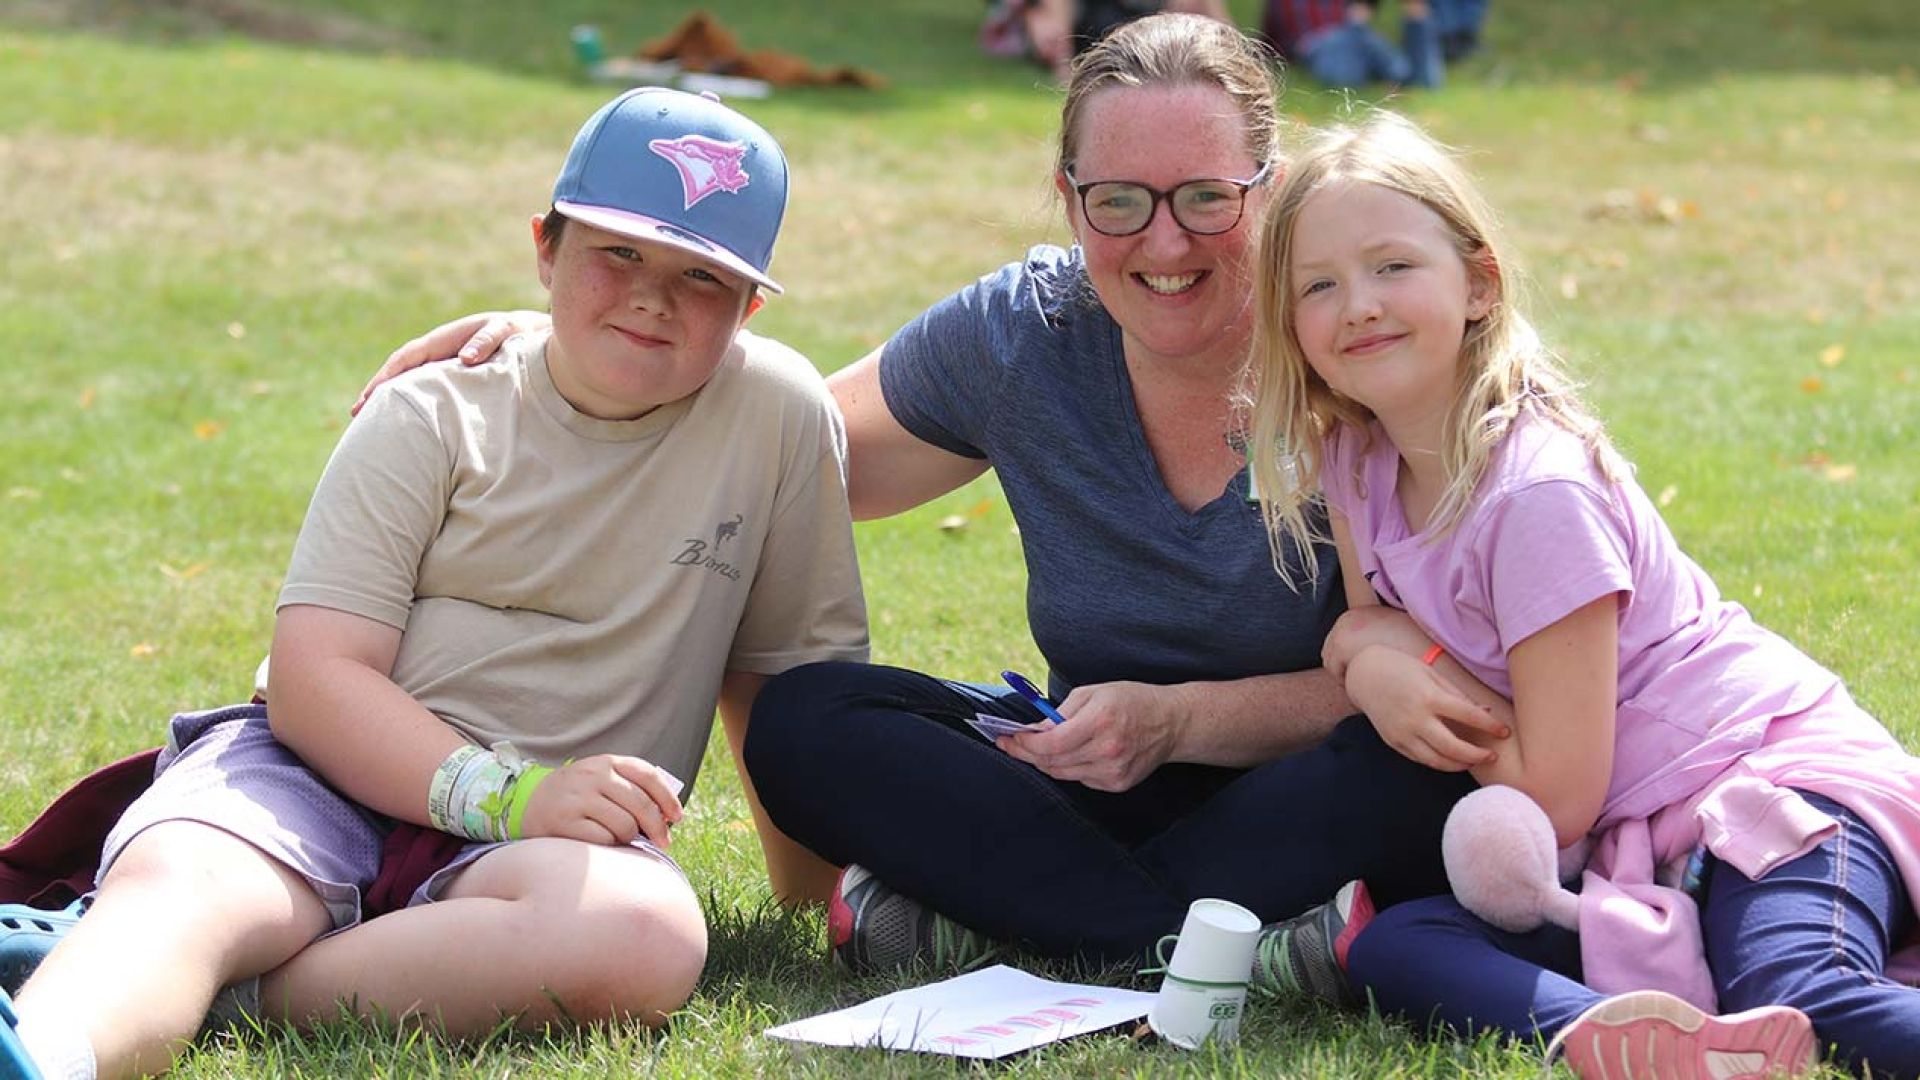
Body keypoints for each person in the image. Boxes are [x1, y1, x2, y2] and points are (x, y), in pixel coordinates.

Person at [352, 13, 1480, 986]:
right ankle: (1233, 939)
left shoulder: (1347, 338)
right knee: (813, 721)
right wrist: (562, 341)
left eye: (1204, 199)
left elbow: (1461, 666)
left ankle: (1070, 929)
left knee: (1423, 769)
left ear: (1267, 190)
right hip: (1083, 785)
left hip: (1305, 782)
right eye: (1120, 202)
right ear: (1068, 196)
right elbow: (777, 443)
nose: (1164, 242)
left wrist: (1183, 719)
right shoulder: (1023, 336)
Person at [0, 87, 866, 1080]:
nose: (650, 296)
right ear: (546, 248)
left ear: (750, 306)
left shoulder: (780, 419)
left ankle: (218, 985)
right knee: (192, 888)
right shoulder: (432, 410)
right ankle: (53, 1050)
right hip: (319, 779)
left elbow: (781, 680)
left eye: (702, 277)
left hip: (546, 845)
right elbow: (316, 678)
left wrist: (810, 903)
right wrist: (511, 795)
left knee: (645, 935)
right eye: (617, 253)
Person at [1244, 109, 1920, 1077]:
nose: (1358, 304)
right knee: (1394, 944)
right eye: (1320, 284)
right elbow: (1367, 620)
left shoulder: (1536, 495)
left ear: (1477, 284)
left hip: (1768, 792)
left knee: (1804, 988)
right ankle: (1632, 1035)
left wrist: (1402, 663)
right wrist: (1360, 658)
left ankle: (1743, 1002)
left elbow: (1555, 798)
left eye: (1393, 267)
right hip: (1635, 858)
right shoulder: (1356, 454)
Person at [1262, 1, 1444, 91]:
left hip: (1355, 41)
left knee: (1357, 34)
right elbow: (1269, 40)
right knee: (1351, 34)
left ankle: (1417, 17)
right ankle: (1403, 76)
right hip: (1318, 47)